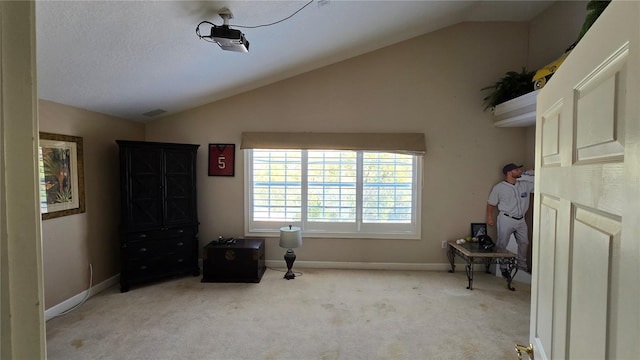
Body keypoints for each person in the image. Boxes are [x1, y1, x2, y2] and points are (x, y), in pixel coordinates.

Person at [486, 163, 534, 278]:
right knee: (502, 244)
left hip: (521, 219)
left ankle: (522, 267)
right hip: (506, 218)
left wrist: (529, 173)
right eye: (516, 170)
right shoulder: (499, 188)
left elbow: (542, 181)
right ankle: (503, 268)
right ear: (509, 173)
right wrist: (489, 217)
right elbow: (491, 203)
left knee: (524, 242)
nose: (519, 172)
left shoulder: (525, 185)